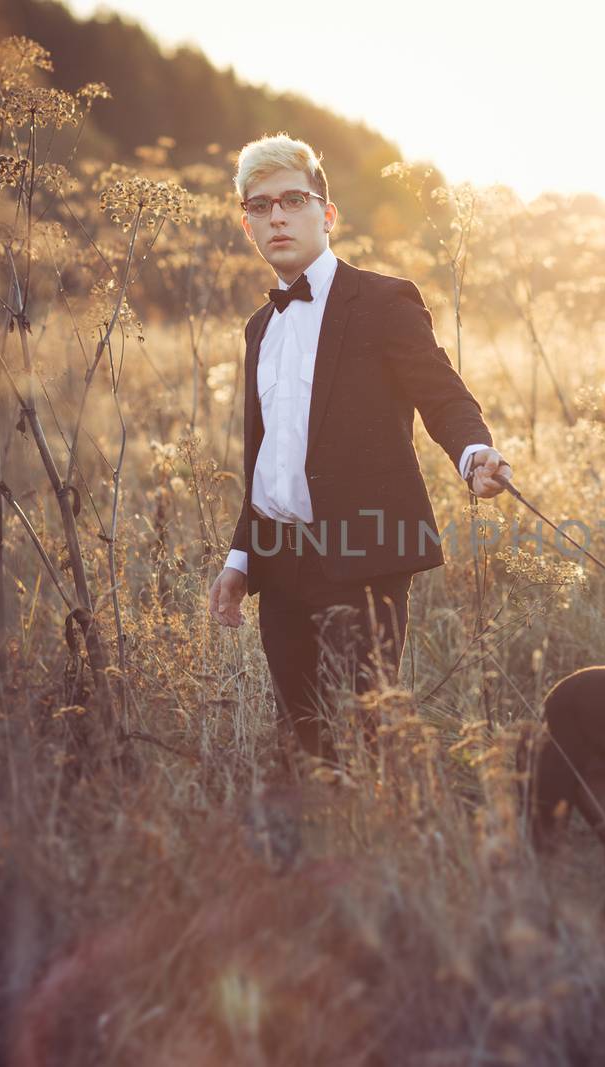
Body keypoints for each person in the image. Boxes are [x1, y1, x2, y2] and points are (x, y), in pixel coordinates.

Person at [209, 133, 510, 763]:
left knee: (371, 735)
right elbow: (268, 456)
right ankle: (320, 848)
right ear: (248, 225)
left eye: (293, 199)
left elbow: (442, 395)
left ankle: (388, 846)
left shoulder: (383, 300)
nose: (277, 216)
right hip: (278, 556)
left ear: (327, 213)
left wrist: (473, 451)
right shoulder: (258, 328)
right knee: (305, 739)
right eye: (260, 206)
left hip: (363, 552)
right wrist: (241, 556)